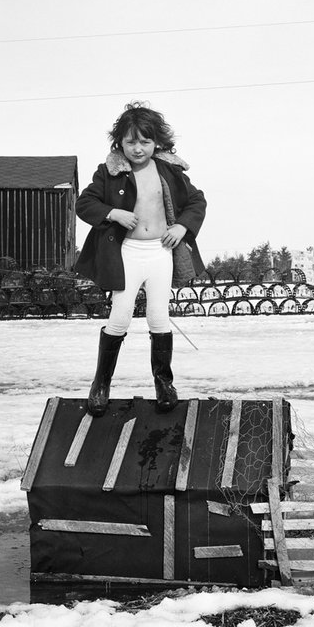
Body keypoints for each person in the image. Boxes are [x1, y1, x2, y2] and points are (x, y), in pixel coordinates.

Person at [74, 102, 207, 417]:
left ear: (157, 142)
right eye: (131, 141)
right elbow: (84, 203)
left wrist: (181, 225)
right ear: (119, 141)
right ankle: (100, 385)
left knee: (159, 317)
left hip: (160, 252)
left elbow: (197, 200)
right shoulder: (109, 172)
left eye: (145, 141)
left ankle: (164, 383)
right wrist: (112, 212)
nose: (137, 148)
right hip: (127, 253)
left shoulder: (170, 171)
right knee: (119, 317)